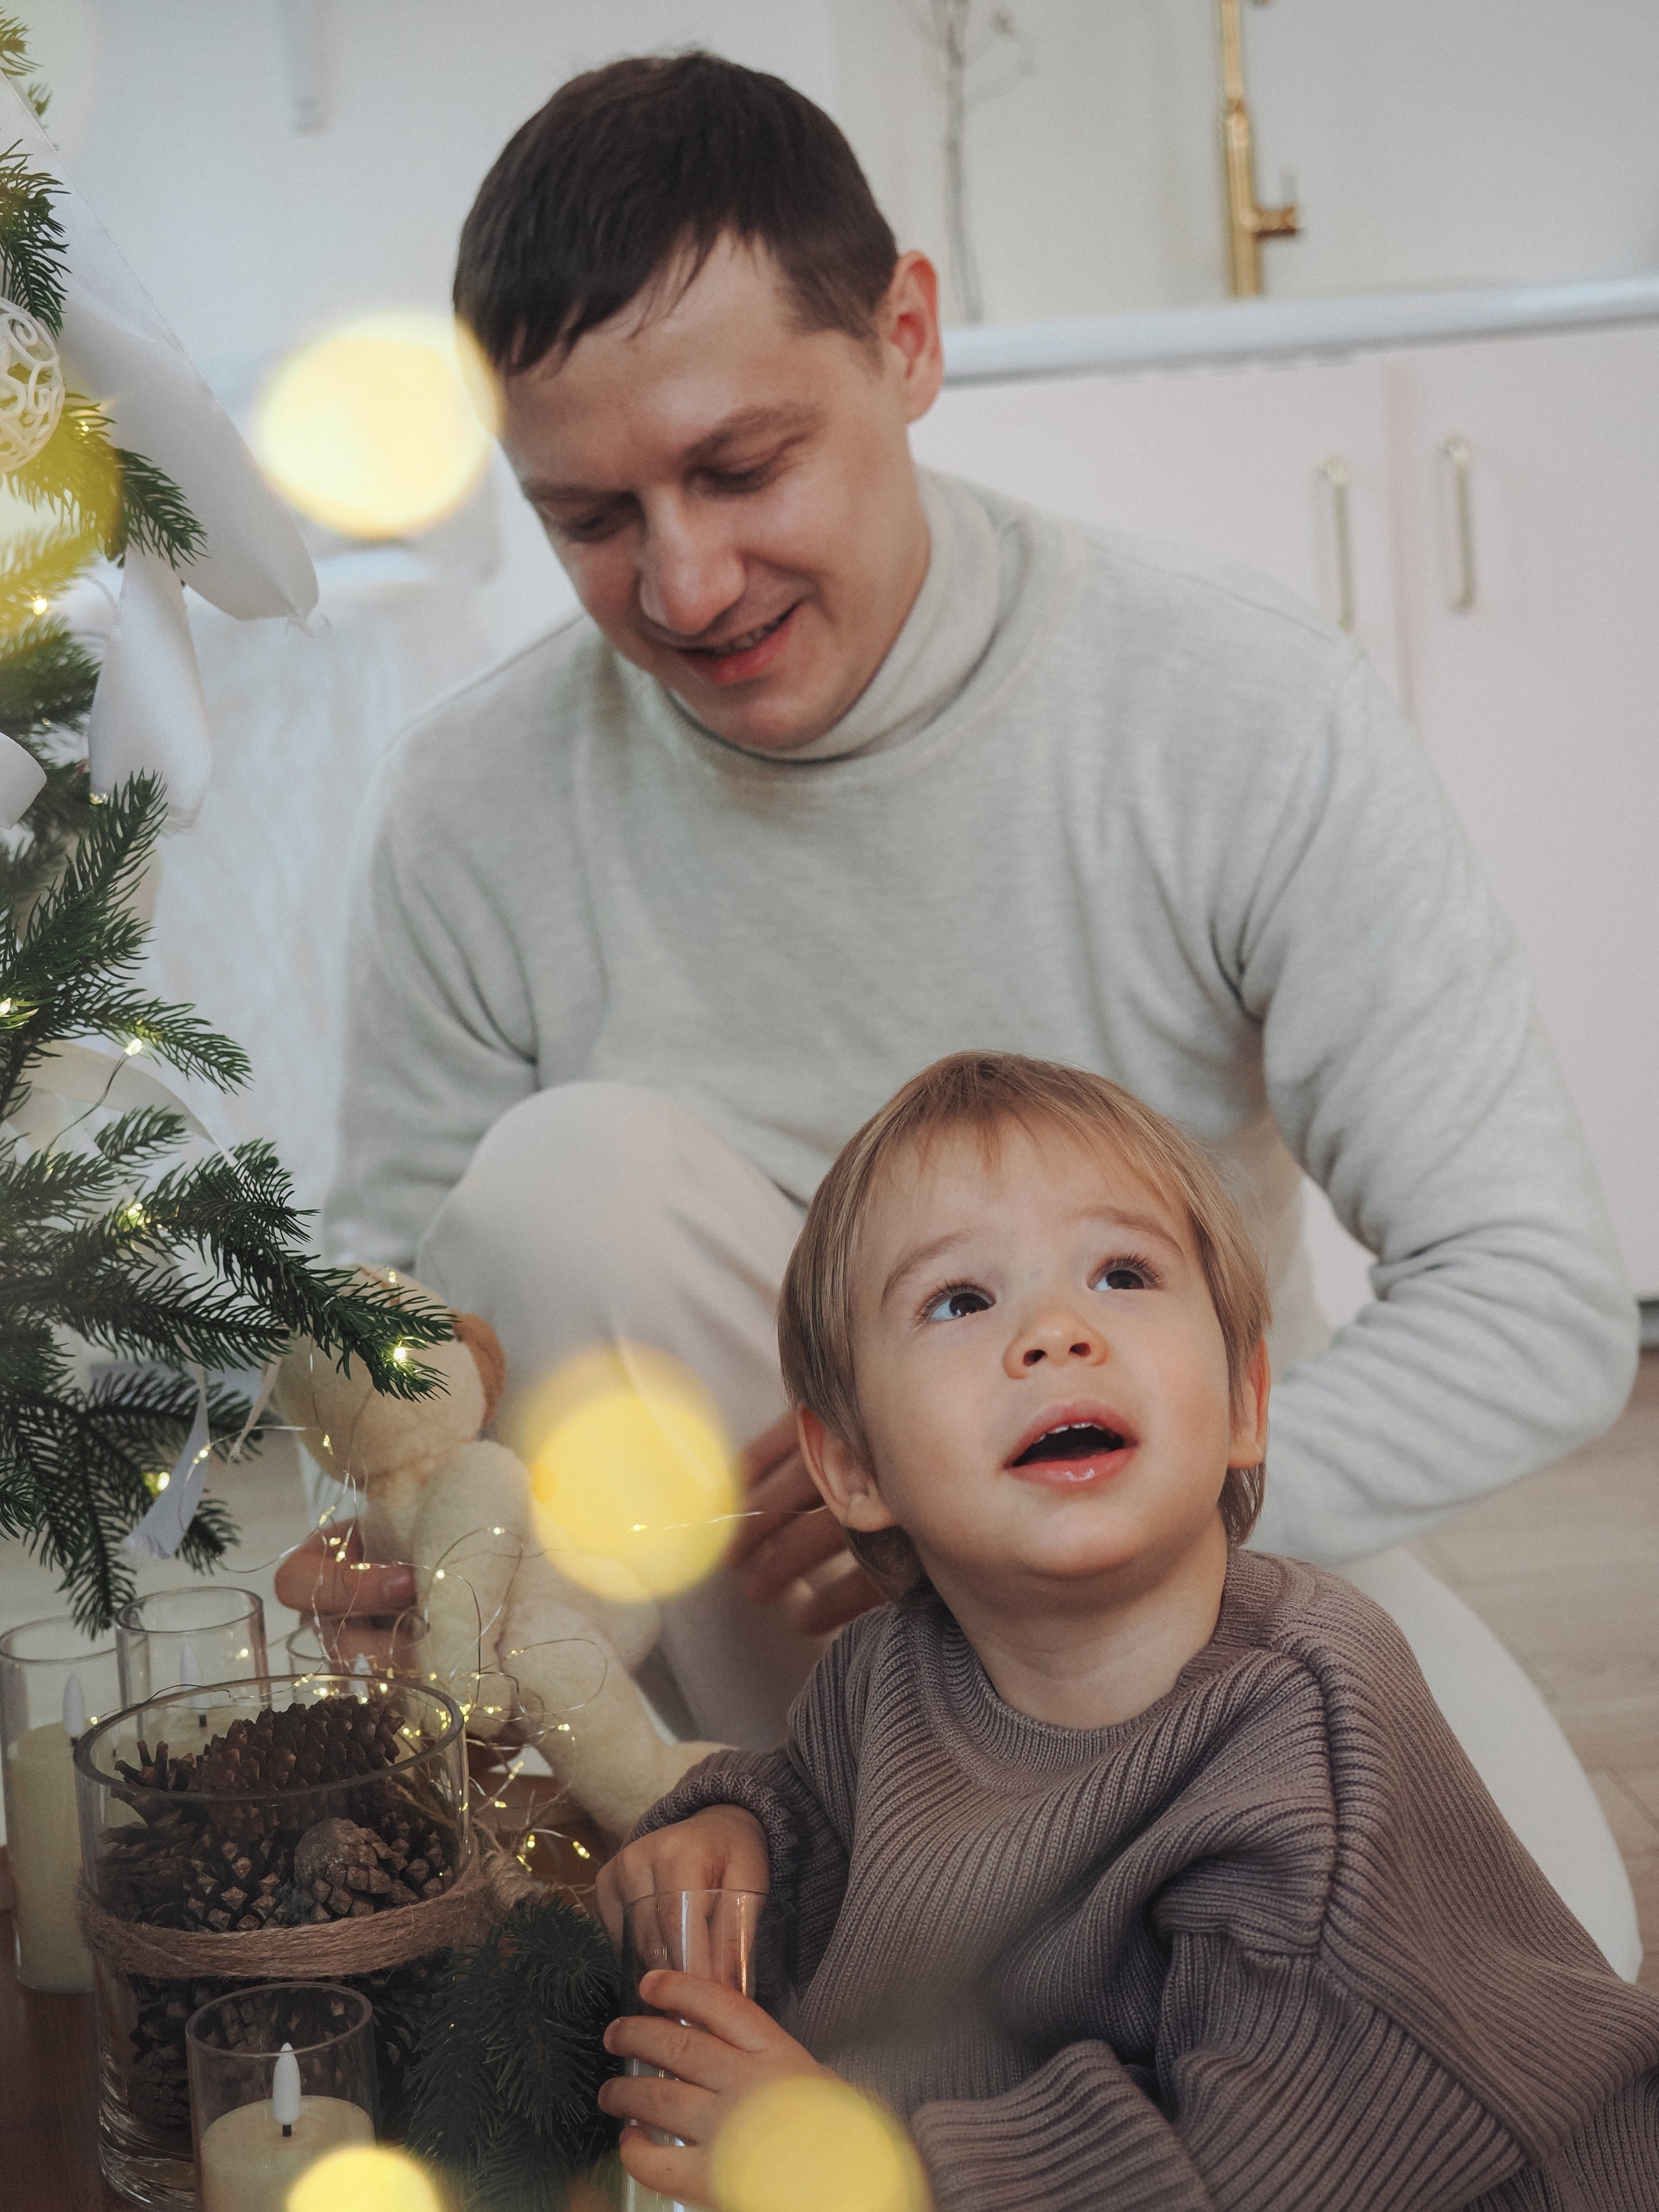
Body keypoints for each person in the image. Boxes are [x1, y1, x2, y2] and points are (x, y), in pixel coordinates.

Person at [286, 52, 1638, 1953]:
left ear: (908, 339)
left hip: (1182, 1558)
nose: (683, 579)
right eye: (591, 516)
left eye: (743, 467)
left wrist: (1102, 1494)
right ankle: (835, 1875)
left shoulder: (1233, 705)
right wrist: (398, 1513)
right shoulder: (476, 799)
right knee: (559, 1180)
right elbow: (400, 1329)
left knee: (1566, 1958)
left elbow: (1542, 1303)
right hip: (795, 1624)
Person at [594, 1053, 1659, 2212]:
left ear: (1249, 1402)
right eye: (961, 1300)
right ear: (849, 1465)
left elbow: (1238, 2181)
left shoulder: (1308, 1760)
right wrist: (741, 1833)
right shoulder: (891, 1672)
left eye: (1122, 1272)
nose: (1055, 1332)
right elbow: (831, 1820)